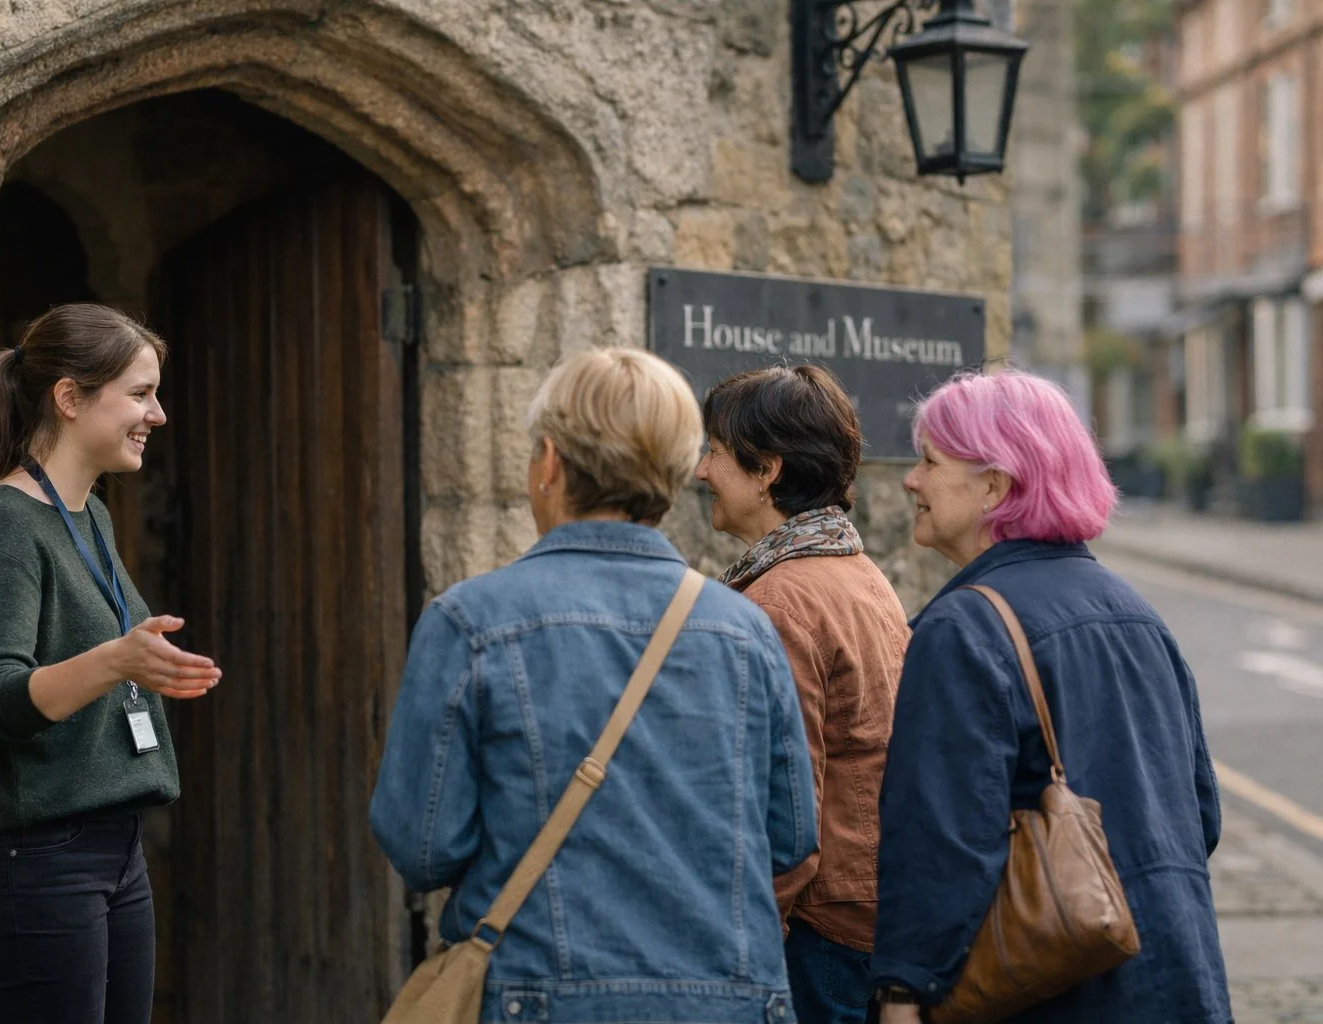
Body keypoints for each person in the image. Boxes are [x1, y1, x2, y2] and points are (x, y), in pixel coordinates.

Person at [369, 347, 818, 1023]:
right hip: (730, 997)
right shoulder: (744, 630)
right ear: (675, 474)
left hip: (542, 993)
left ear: (549, 462)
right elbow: (789, 838)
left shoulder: (470, 622)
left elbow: (423, 845)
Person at [872, 371, 1231, 1024]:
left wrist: (903, 989)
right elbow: (1199, 813)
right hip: (1176, 977)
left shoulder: (963, 628)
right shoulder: (1136, 613)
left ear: (995, 485)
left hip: (1050, 993)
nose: (910, 481)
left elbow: (943, 840)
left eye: (929, 461)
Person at [0, 303, 223, 1024]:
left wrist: (134, 662)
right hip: (30, 860)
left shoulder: (88, 514)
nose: (157, 414)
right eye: (140, 393)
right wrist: (116, 659)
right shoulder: (2, 525)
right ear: (69, 397)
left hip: (109, 847)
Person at [696, 365, 908, 1024]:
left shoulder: (782, 599)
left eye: (714, 452)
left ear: (766, 470)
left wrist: (748, 943)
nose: (700, 471)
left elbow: (784, 805)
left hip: (816, 940)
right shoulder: (855, 570)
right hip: (865, 918)